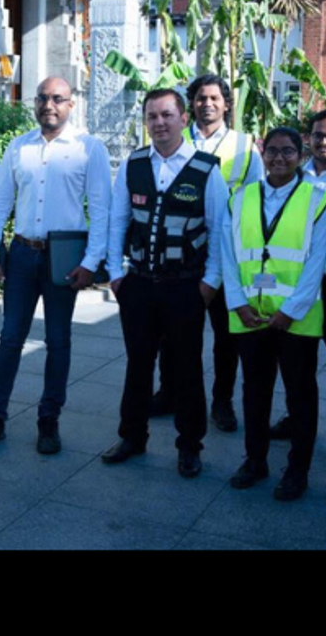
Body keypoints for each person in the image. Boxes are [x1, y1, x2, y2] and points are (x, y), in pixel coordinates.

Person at [0, 77, 111, 454]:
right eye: (43, 98)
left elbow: (100, 209)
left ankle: (49, 419)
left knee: (58, 340)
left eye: (58, 99)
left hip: (64, 258)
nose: (49, 104)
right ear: (35, 103)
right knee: (11, 337)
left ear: (71, 104)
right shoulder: (20, 147)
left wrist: (91, 262)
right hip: (22, 254)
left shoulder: (88, 148)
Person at [101, 88, 228, 478]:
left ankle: (189, 446)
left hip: (185, 287)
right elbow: (117, 221)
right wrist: (117, 274)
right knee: (138, 365)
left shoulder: (206, 169)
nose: (159, 123)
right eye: (152, 116)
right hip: (138, 284)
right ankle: (132, 437)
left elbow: (220, 231)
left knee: (187, 368)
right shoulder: (133, 164)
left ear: (184, 118)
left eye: (167, 115)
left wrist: (209, 284)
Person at [223, 127, 326, 501]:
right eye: (272, 151)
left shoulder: (318, 199)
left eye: (288, 151)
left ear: (301, 155)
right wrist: (236, 301)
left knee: (300, 395)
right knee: (254, 392)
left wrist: (291, 310)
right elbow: (228, 252)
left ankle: (297, 471)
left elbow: (316, 261)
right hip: (248, 313)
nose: (279, 158)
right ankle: (255, 461)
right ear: (261, 153)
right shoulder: (240, 196)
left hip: (297, 318)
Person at [151, 74, 263, 432]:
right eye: (200, 98)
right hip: (179, 253)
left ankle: (221, 400)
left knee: (225, 334)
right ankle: (169, 392)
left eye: (214, 98)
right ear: (191, 106)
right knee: (170, 332)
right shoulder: (174, 140)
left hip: (227, 253)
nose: (207, 104)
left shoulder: (245, 147)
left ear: (227, 103)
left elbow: (259, 199)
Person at [269, 109, 326, 468]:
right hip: (299, 286)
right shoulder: (296, 178)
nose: (323, 142)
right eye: (318, 135)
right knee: (298, 367)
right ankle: (296, 419)